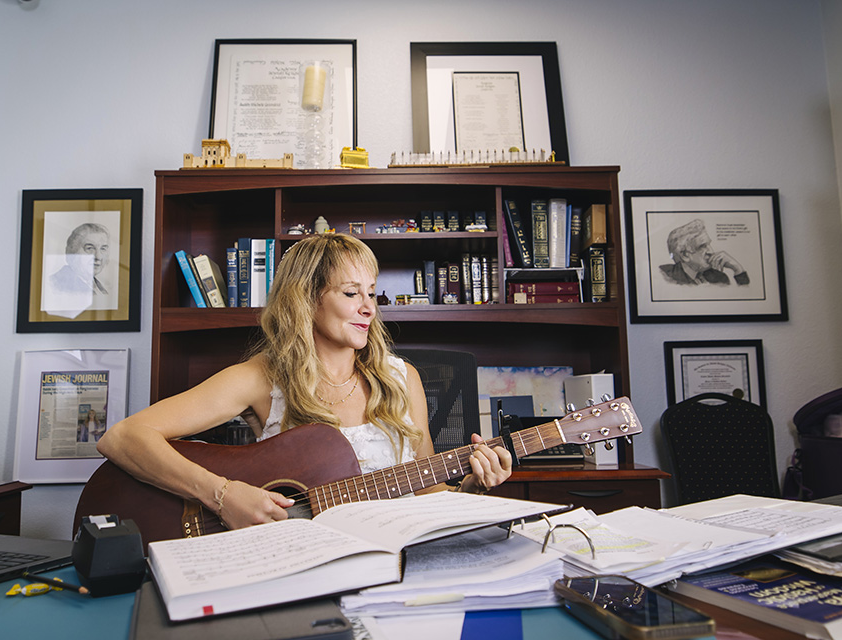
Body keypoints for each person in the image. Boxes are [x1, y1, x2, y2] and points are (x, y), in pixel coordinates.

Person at [97, 233, 512, 530]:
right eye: (351, 294)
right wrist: (221, 494)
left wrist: (473, 486)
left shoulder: (404, 379)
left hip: (394, 556)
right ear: (306, 299)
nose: (369, 308)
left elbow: (425, 491)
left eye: (372, 292)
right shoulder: (261, 377)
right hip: (301, 558)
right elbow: (122, 437)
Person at [659, 219, 749, 285]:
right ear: (685, 255)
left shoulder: (720, 278)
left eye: (709, 244)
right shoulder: (665, 275)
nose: (711, 251)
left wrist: (738, 270)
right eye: (702, 246)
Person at [49, 223, 111, 296]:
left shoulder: (99, 287)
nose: (98, 257)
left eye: (103, 249)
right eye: (90, 248)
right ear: (72, 252)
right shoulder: (54, 284)